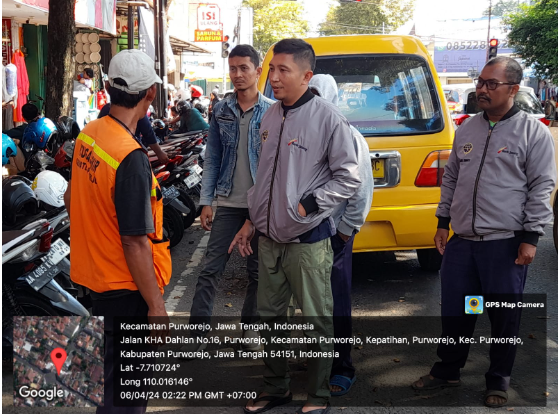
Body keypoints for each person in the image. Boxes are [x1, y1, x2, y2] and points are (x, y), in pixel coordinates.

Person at [412, 57, 556, 408]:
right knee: (457, 313)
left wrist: (531, 237)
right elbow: (451, 180)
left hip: (505, 245)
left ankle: (498, 380)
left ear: (513, 89)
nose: (482, 89)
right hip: (463, 243)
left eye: (492, 84)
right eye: (480, 82)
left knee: (503, 316)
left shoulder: (531, 132)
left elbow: (541, 186)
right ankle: (448, 371)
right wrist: (442, 222)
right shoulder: (467, 129)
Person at [229, 39, 361, 414]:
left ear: (307, 75)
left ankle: (317, 396)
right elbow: (265, 178)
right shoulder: (270, 117)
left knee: (316, 323)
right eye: (271, 69)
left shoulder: (328, 118)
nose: (273, 77)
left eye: (282, 70)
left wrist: (309, 204)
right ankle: (277, 388)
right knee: (271, 320)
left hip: (307, 240)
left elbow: (349, 177)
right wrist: (251, 221)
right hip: (269, 239)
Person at [65, 49, 172, 414]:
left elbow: (70, 198)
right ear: (150, 93)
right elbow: (135, 241)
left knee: (110, 384)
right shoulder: (130, 156)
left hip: (92, 278)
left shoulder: (90, 134)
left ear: (109, 88)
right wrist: (156, 307)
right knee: (126, 394)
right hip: (124, 289)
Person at [182, 45, 274, 354]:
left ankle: (251, 332)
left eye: (244, 68)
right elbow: (214, 157)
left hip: (261, 206)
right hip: (229, 203)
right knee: (210, 269)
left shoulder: (273, 111)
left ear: (258, 71)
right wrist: (206, 200)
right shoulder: (221, 109)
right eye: (232, 68)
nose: (237, 74)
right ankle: (197, 337)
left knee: (258, 272)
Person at [308, 74, 374, 397]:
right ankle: (319, 362)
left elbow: (361, 192)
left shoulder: (348, 134)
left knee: (337, 304)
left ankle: (342, 367)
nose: (315, 100)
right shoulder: (302, 131)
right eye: (311, 94)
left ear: (331, 97)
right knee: (312, 304)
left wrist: (344, 234)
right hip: (304, 235)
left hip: (334, 234)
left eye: (320, 94)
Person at [98, 102, 170, 164]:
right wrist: (159, 153)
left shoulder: (107, 108)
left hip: (106, 156)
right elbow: (148, 134)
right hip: (129, 156)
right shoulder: (137, 110)